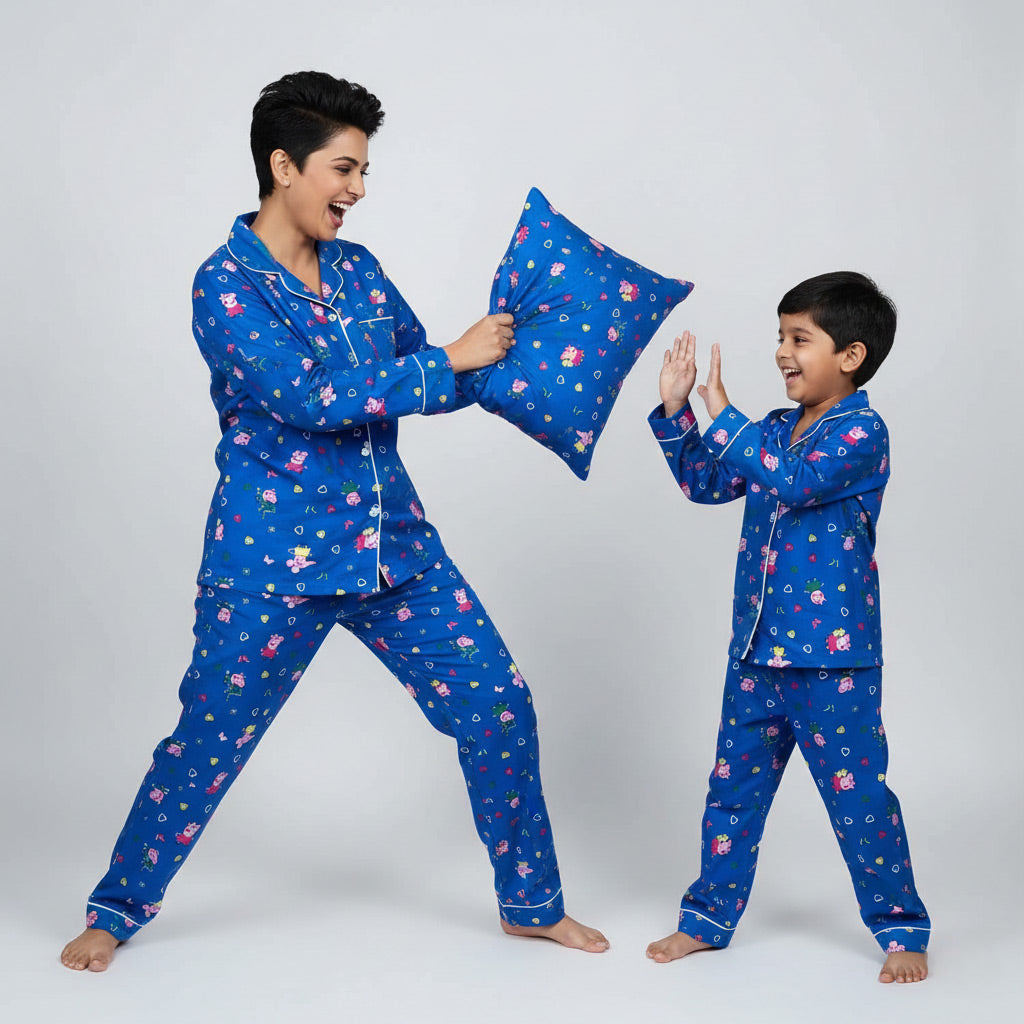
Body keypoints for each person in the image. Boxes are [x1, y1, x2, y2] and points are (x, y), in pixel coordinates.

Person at [61, 71, 607, 972]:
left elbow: (435, 369)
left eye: (363, 171)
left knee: (499, 705)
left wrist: (543, 338)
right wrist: (447, 362)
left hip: (395, 552)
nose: (358, 189)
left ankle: (531, 904)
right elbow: (310, 398)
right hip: (272, 563)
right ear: (284, 166)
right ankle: (116, 911)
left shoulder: (359, 271)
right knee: (205, 742)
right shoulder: (224, 283)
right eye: (344, 169)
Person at [644, 273, 929, 983]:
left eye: (800, 338)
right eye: (780, 336)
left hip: (833, 663)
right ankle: (706, 920)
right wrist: (678, 413)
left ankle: (901, 929)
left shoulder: (862, 432)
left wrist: (721, 411)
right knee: (731, 795)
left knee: (860, 801)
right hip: (756, 656)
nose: (781, 352)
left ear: (852, 356)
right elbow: (707, 483)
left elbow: (796, 481)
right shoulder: (771, 428)